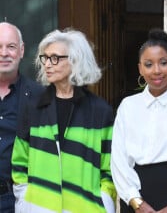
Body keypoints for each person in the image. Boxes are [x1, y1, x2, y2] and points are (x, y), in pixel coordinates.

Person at [11, 29, 116, 213]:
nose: (48, 65)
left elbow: (110, 168)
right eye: (45, 58)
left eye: (55, 58)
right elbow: (20, 161)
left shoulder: (100, 111)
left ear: (75, 60)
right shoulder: (34, 107)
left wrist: (105, 201)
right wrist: (24, 203)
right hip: (39, 208)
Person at [111, 28, 167, 213]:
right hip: (134, 195)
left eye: (163, 63)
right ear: (140, 68)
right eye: (149, 64)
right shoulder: (128, 106)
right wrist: (136, 202)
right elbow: (118, 159)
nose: (157, 71)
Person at [0, 22, 43, 213]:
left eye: (11, 46)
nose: (4, 53)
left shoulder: (40, 96)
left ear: (22, 50)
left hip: (20, 200)